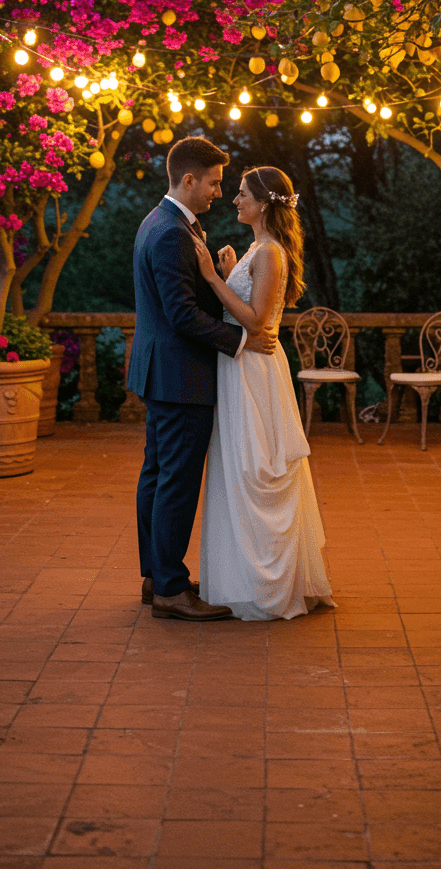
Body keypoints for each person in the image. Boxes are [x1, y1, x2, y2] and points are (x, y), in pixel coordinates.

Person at [127, 137, 278, 622]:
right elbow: (182, 316)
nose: (219, 192)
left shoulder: (162, 221)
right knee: (176, 480)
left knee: (156, 475)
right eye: (214, 182)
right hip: (180, 377)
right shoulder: (172, 232)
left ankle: (158, 574)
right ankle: (171, 588)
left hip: (162, 372)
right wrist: (240, 342)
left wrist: (220, 277)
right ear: (188, 179)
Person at [193, 165, 334, 621]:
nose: (234, 200)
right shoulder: (258, 250)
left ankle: (266, 584)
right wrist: (234, 272)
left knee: (256, 467)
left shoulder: (270, 252)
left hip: (253, 368)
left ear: (263, 203)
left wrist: (214, 279)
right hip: (241, 365)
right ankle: (244, 576)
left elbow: (256, 321)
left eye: (241, 194)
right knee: (239, 466)